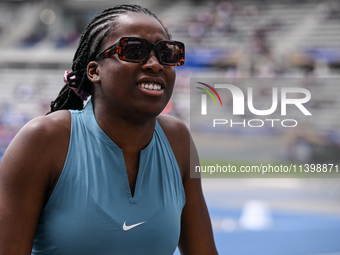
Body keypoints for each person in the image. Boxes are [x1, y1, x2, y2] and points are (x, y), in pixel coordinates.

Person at [0, 4, 218, 255]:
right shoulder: (44, 140)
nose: (156, 65)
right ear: (94, 71)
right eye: (134, 50)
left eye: (167, 53)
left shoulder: (177, 141)